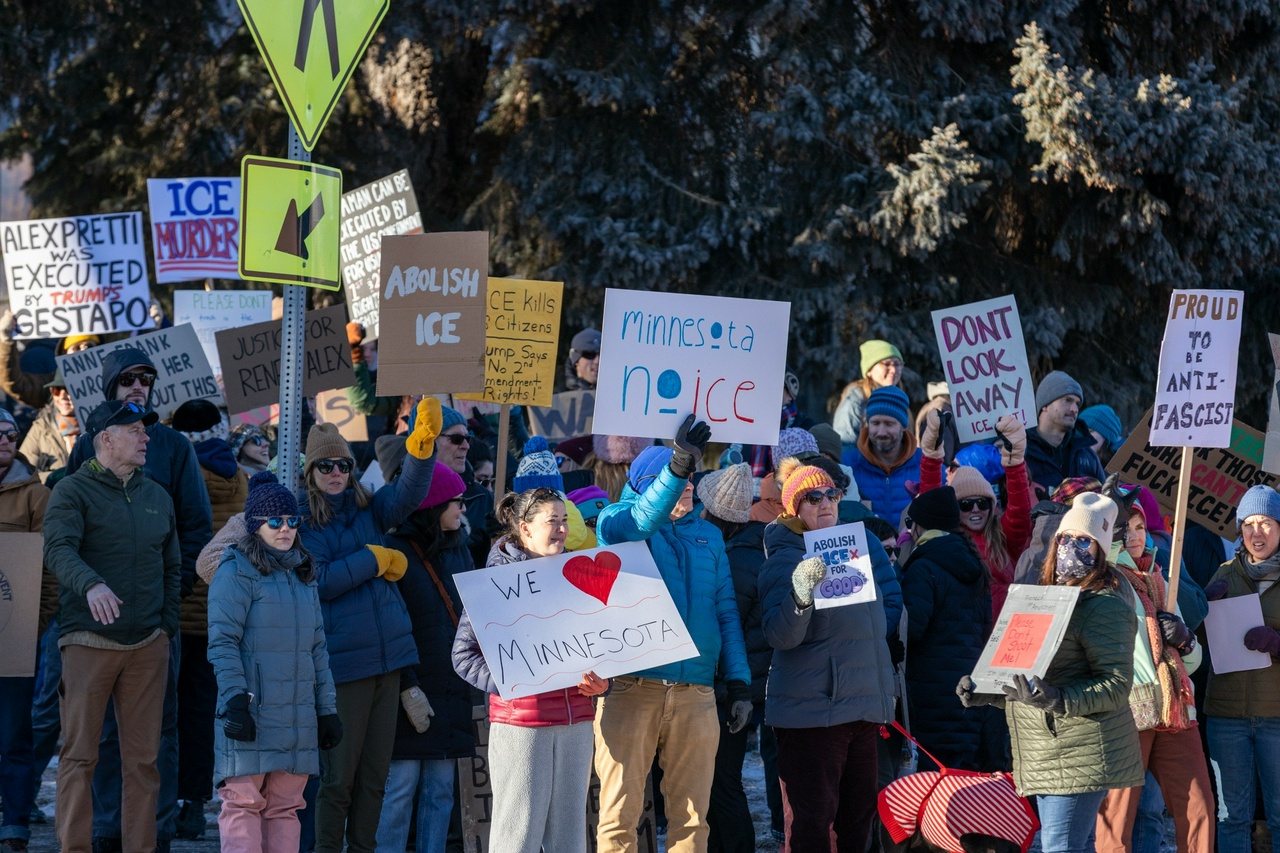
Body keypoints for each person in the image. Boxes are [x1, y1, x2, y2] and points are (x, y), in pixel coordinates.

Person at [64, 348, 213, 853]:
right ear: (110, 386)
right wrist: (86, 591)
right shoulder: (86, 446)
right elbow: (66, 532)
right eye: (127, 378)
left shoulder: (173, 446)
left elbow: (195, 529)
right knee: (98, 733)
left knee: (156, 734)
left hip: (153, 626)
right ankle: (106, 830)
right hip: (93, 624)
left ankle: (154, 833)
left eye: (145, 379)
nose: (138, 386)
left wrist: (167, 606)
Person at [593, 417, 752, 853]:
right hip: (631, 690)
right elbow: (641, 521)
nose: (689, 485)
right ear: (650, 485)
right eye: (681, 478)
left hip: (696, 694)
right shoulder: (615, 522)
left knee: (693, 821)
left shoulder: (709, 536)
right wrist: (677, 464)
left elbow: (725, 613)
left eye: (690, 477)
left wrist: (738, 682)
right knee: (619, 820)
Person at [957, 492, 1142, 853]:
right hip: (1044, 750)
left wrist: (1059, 699)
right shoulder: (1043, 597)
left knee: (1059, 846)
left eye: (1084, 541)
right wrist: (987, 692)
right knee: (1074, 845)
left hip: (1080, 749)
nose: (1071, 547)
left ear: (1102, 549)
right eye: (1065, 538)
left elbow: (1116, 685)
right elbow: (1026, 676)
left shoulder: (1105, 603)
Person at [300, 399, 441, 853]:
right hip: (344, 667)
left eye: (342, 464)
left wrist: (421, 450)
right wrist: (373, 559)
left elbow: (408, 493)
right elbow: (320, 580)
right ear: (311, 472)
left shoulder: (369, 508)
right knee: (339, 779)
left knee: (375, 778)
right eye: (325, 466)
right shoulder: (303, 520)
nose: (336, 473)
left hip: (390, 662)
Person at [43, 400, 181, 853]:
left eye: (145, 431)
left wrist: (165, 627)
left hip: (148, 645)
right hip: (88, 641)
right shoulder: (72, 491)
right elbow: (58, 549)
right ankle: (74, 847)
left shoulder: (157, 495)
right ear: (106, 438)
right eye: (135, 430)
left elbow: (172, 566)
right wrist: (91, 584)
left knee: (143, 761)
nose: (146, 438)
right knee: (80, 755)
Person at [453, 488, 609, 853]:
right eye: (552, 521)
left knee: (569, 839)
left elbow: (601, 648)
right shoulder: (497, 581)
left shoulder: (578, 574)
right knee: (518, 836)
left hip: (576, 722)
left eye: (564, 520)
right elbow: (463, 656)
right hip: (523, 725)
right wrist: (511, 682)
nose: (562, 529)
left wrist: (604, 682)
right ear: (525, 529)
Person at [758, 456, 900, 852]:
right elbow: (780, 635)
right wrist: (800, 595)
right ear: (794, 508)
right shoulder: (785, 556)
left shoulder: (857, 548)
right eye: (812, 497)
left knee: (857, 824)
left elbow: (879, 621)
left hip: (862, 710)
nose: (825, 502)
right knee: (813, 827)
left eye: (831, 494)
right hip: (813, 714)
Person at [206, 474, 341, 853]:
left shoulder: (303, 573)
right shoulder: (235, 571)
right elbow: (223, 642)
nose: (285, 528)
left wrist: (327, 710)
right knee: (243, 805)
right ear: (255, 525)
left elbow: (317, 649)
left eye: (292, 520)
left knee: (285, 808)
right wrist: (235, 700)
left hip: (296, 719)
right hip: (252, 713)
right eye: (275, 521)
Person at [1095, 498, 1212, 853]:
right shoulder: (1104, 580)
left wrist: (1186, 640)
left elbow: (1192, 663)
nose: (1133, 536)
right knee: (1116, 820)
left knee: (1199, 808)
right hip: (1127, 712)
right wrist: (1108, 525)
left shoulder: (1161, 579)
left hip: (1175, 710)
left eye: (1139, 527)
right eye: (1124, 528)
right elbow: (1100, 564)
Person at [375, 463, 476, 853]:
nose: (463, 508)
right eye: (456, 501)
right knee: (399, 791)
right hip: (410, 689)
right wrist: (406, 686)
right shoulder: (395, 551)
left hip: (451, 688)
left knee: (441, 791)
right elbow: (386, 627)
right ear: (432, 506)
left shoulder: (460, 549)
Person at [169, 399, 247, 840]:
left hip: (179, 610)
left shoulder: (178, 475)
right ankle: (194, 803)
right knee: (202, 711)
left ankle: (168, 798)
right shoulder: (239, 476)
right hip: (220, 611)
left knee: (168, 709)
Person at [696, 463, 769, 853]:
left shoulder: (736, 559)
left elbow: (728, 627)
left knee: (722, 782)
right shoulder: (753, 547)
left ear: (714, 513)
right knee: (720, 780)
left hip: (730, 690)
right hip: (741, 685)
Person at [1202, 485, 1280, 853]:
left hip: (1276, 718)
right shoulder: (1224, 572)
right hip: (1227, 717)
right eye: (1249, 524)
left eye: (1266, 523)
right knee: (1231, 817)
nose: (1256, 532)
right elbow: (1196, 646)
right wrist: (1200, 609)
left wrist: (1278, 643)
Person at [899, 486, 996, 771]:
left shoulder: (923, 566)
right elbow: (985, 629)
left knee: (933, 782)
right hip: (969, 691)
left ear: (920, 526)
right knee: (963, 777)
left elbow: (911, 630)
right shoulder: (975, 564)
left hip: (930, 697)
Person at [0, 409, 53, 853]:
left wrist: (31, 626)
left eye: (10, 433)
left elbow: (49, 571)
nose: (5, 440)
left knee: (14, 735)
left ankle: (14, 825)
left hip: (13, 638)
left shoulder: (37, 495)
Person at [920, 412, 1032, 617]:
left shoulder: (1002, 537)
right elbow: (931, 506)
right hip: (961, 631)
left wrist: (1015, 461)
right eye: (965, 505)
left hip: (1002, 630)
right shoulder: (945, 538)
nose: (975, 509)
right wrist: (931, 456)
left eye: (982, 503)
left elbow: (1020, 512)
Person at [846, 385, 921, 527]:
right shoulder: (848, 466)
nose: (881, 432)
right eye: (875, 423)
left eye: (889, 424)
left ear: (903, 426)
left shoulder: (925, 465)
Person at [1024, 371, 1106, 495]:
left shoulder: (1087, 456)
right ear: (1045, 405)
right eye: (1067, 400)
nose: (1074, 409)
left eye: (1077, 404)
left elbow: (1105, 502)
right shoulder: (1022, 452)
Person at [433, 405, 495, 567]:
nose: (466, 446)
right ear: (429, 441)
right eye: (456, 438)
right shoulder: (403, 497)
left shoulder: (482, 496)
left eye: (467, 438)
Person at [832, 340, 905, 454]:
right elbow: (845, 443)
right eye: (887, 364)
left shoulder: (899, 399)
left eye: (897, 364)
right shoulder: (856, 398)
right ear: (869, 370)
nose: (893, 370)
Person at [17, 369, 77, 482]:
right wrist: (52, 477)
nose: (62, 396)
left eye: (69, 389)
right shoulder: (41, 428)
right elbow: (22, 472)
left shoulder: (98, 427)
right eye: (57, 390)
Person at [562, 327, 601, 391]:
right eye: (589, 355)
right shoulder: (555, 393)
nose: (597, 361)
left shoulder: (615, 393)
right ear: (576, 361)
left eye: (602, 356)